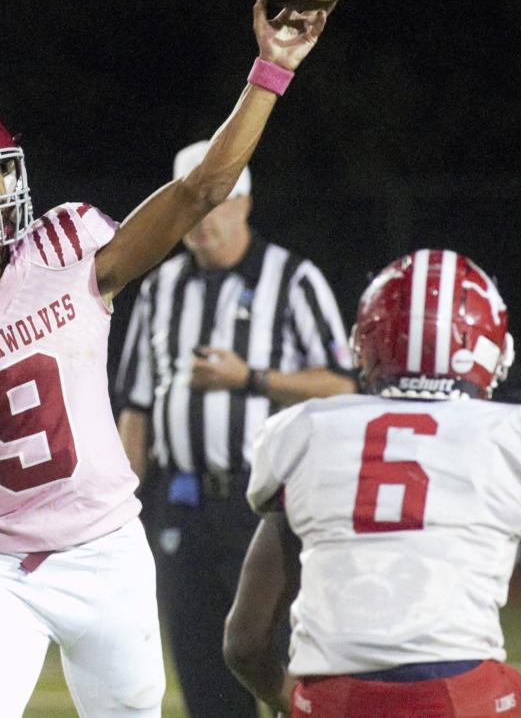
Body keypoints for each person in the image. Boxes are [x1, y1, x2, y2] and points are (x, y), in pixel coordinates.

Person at [0, 0, 329, 718]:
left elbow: (202, 190)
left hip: (109, 552)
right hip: (0, 568)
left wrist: (270, 70)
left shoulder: (70, 248)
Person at [222, 249, 521, 717]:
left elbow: (244, 645)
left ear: (365, 344)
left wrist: (295, 701)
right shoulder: (519, 437)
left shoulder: (308, 434)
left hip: (333, 701)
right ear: (490, 350)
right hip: (458, 699)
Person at [113, 140, 355, 717]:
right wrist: (117, 511)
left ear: (243, 202)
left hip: (265, 507)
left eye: (213, 201)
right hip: (180, 506)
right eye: (190, 205)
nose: (200, 219)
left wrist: (252, 380)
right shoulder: (158, 288)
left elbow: (344, 385)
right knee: (203, 677)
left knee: (282, 665)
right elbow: (137, 408)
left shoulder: (293, 279)